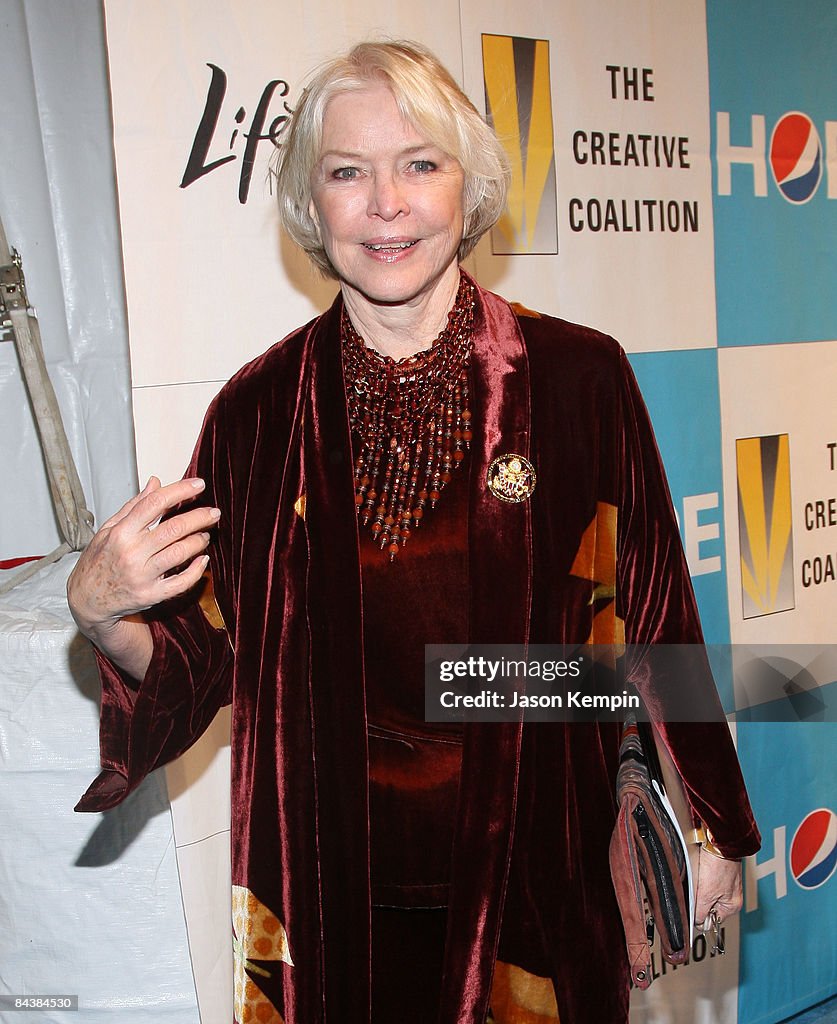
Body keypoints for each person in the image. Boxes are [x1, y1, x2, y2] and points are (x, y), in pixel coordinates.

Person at [69, 40, 760, 1024]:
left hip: (536, 889)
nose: (385, 203)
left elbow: (654, 617)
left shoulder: (577, 379)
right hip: (330, 907)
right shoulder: (256, 413)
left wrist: (718, 824)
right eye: (348, 172)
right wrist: (102, 617)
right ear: (312, 205)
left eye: (419, 164)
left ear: (467, 186)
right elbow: (202, 659)